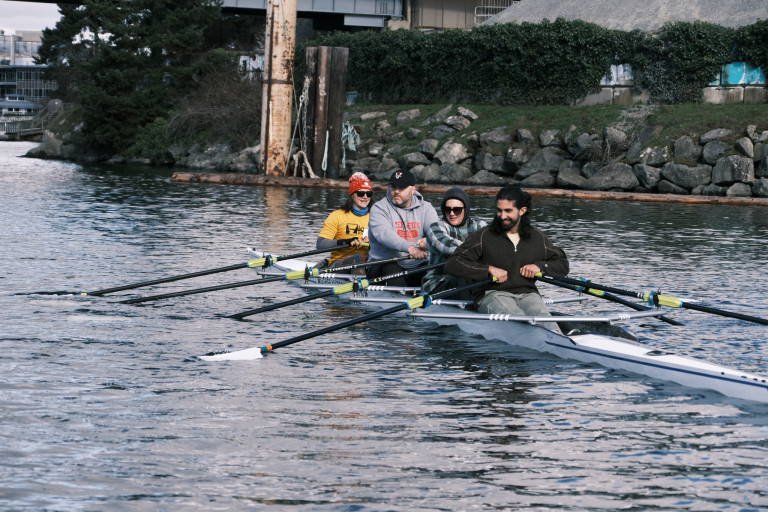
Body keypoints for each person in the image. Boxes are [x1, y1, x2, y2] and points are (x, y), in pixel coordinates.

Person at [444, 185, 569, 333]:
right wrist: (488, 270)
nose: (502, 216)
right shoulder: (484, 236)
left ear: (522, 210)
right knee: (520, 322)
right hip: (492, 294)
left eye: (508, 211)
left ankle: (558, 338)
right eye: (499, 210)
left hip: (528, 294)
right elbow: (453, 263)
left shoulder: (537, 237)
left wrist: (540, 267)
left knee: (547, 323)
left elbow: (562, 263)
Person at [367, 168, 439, 287]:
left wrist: (430, 241)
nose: (396, 191)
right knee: (391, 266)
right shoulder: (379, 208)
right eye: (393, 187)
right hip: (382, 265)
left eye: (401, 188)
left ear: (413, 190)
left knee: (436, 269)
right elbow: (384, 234)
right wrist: (409, 248)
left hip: (416, 264)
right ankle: (400, 299)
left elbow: (435, 231)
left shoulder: (427, 208)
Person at [420, 186, 486, 299]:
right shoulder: (435, 227)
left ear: (466, 209)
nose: (452, 213)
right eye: (447, 209)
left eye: (457, 209)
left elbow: (494, 244)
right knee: (462, 277)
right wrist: (477, 252)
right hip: (437, 281)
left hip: (469, 276)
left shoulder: (479, 225)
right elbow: (447, 246)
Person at [315, 172, 372, 269]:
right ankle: (358, 282)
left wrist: (374, 243)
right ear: (352, 195)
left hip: (367, 264)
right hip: (339, 265)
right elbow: (320, 244)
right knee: (358, 258)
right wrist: (345, 242)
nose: (365, 197)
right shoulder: (337, 216)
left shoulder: (376, 217)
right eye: (361, 193)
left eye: (369, 193)